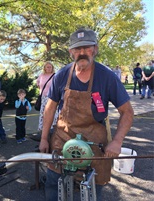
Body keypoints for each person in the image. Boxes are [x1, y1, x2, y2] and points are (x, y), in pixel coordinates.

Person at [39, 28, 134, 201]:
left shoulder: (107, 77)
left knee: (94, 187)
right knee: (53, 184)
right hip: (63, 139)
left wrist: (117, 141)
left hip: (94, 143)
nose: (82, 53)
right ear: (70, 52)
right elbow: (50, 108)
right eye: (77, 49)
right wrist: (44, 138)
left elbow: (127, 112)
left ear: (95, 49)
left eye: (86, 48)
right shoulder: (61, 75)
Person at [36, 61, 58, 135]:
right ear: (44, 68)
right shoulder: (41, 75)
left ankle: (53, 130)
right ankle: (42, 132)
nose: (49, 68)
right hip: (43, 98)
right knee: (43, 114)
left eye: (50, 67)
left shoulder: (55, 76)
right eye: (47, 67)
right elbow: (38, 84)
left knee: (53, 114)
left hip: (52, 98)